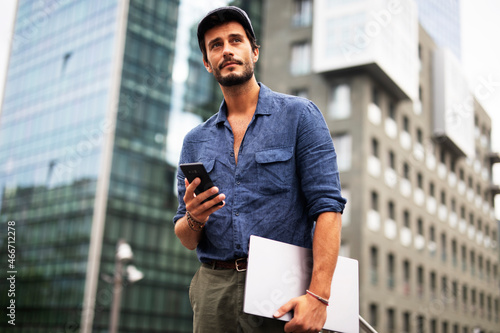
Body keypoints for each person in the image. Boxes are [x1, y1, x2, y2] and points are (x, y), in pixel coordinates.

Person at [173, 6, 346, 333]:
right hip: (213, 289)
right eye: (215, 45)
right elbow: (185, 237)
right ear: (207, 64)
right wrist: (195, 216)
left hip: (283, 284)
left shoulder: (300, 116)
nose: (226, 50)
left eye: (235, 40)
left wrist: (319, 296)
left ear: (254, 51)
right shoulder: (194, 141)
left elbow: (328, 209)